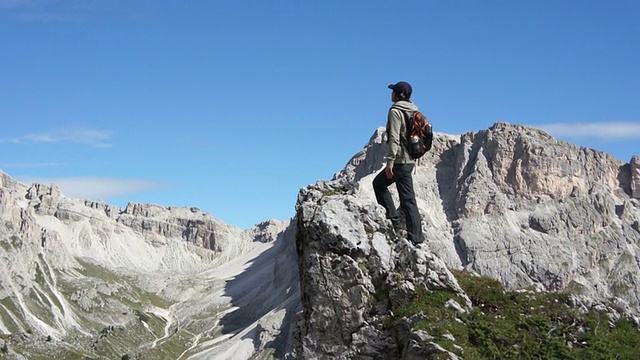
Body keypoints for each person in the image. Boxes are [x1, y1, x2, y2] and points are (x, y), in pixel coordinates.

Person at [372, 81, 423, 245]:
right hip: (410, 160)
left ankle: (413, 236)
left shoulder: (395, 111)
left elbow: (394, 138)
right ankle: (398, 225)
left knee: (407, 199)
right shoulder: (414, 110)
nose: (391, 93)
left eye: (393, 91)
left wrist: (390, 163)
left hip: (400, 161)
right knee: (380, 185)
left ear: (397, 95)